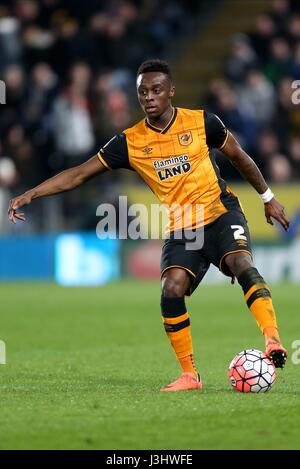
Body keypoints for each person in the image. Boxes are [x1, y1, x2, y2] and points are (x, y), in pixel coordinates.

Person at [8, 59, 289, 392]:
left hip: (220, 212)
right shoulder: (130, 142)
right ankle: (189, 375)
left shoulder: (202, 123)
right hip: (183, 227)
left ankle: (272, 340)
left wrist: (267, 196)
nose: (149, 97)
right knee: (171, 288)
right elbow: (79, 174)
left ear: (171, 91)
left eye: (156, 90)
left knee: (241, 263)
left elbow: (239, 156)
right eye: (143, 92)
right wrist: (32, 193)